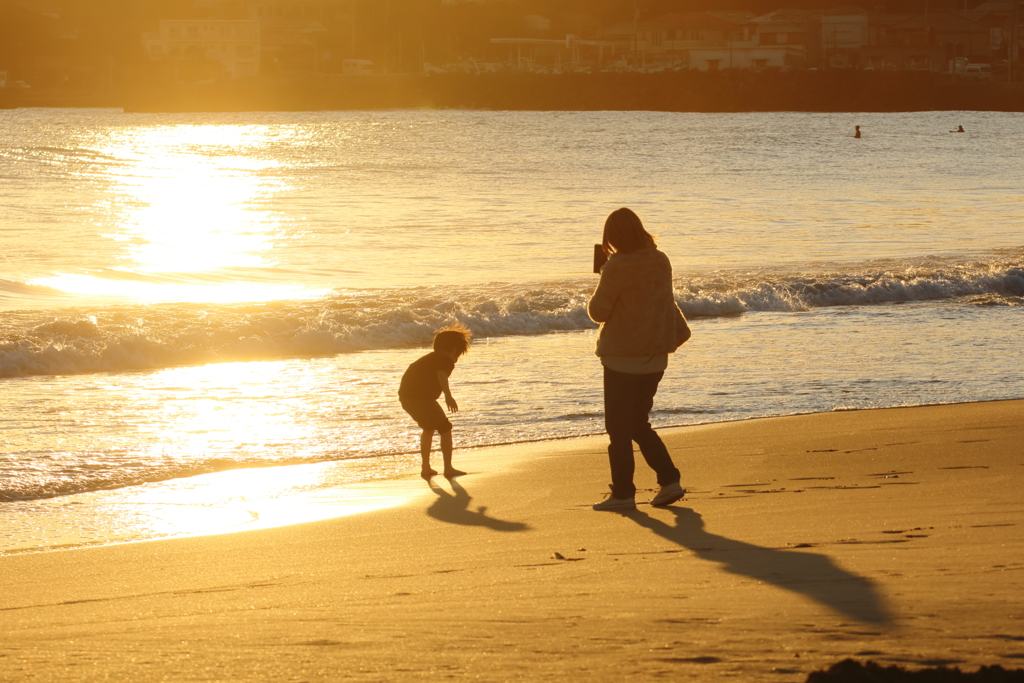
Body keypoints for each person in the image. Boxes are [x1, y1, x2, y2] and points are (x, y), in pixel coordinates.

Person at [587, 207, 692, 511]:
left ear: (613, 237)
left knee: (619, 430)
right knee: (638, 423)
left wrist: (602, 276)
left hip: (622, 358)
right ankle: (669, 479)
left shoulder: (616, 266)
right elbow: (661, 302)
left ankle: (623, 493)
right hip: (656, 356)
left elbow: (598, 313)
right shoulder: (660, 260)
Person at [399, 324, 472, 479]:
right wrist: (448, 396)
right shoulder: (445, 360)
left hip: (406, 398)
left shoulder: (430, 358)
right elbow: (441, 375)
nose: (456, 359)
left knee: (428, 428)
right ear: (453, 349)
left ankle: (426, 468)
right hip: (421, 399)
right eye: (458, 354)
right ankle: (448, 468)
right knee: (445, 428)